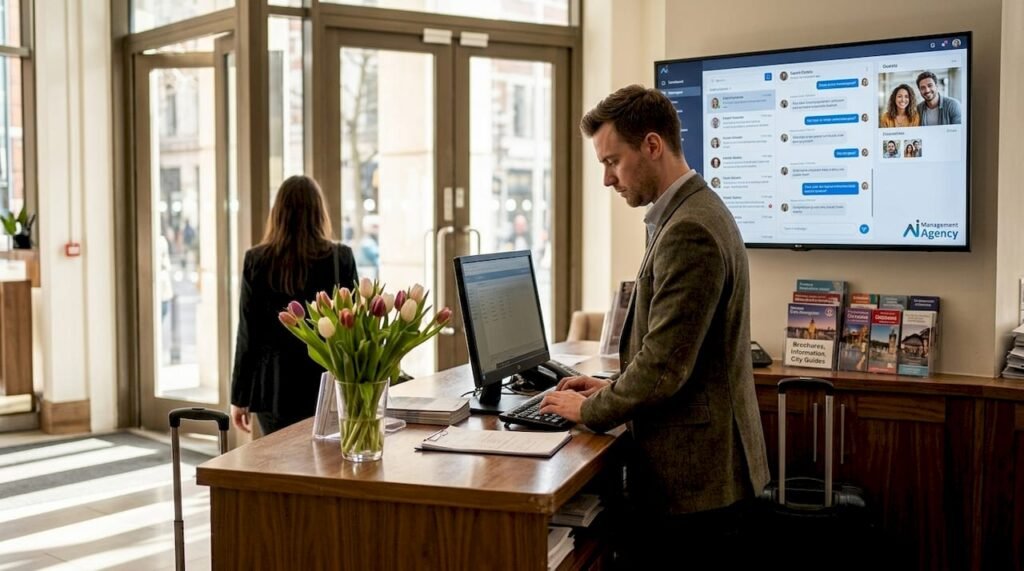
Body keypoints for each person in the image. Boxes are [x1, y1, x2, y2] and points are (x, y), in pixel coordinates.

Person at [540, 85, 769, 567]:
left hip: (698, 485)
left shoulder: (690, 229)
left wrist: (591, 409)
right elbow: (673, 347)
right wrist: (610, 387)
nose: (607, 179)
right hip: (704, 478)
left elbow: (665, 367)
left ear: (651, 145)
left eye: (612, 162)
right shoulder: (688, 211)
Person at [230, 175, 359, 435]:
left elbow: (248, 334)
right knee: (325, 456)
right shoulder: (340, 257)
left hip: (273, 389)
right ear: (319, 213)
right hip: (324, 384)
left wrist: (239, 397)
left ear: (278, 213)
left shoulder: (256, 260)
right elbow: (354, 327)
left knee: (278, 457)